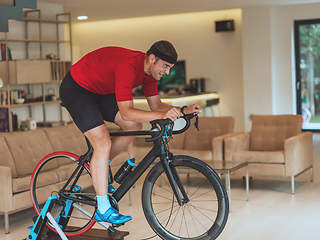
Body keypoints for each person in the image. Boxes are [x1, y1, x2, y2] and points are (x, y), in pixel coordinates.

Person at [59, 40, 200, 225]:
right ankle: (102, 209)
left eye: (170, 68)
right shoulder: (128, 66)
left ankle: (101, 165)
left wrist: (183, 110)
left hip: (101, 91)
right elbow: (126, 112)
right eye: (165, 66)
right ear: (152, 58)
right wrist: (160, 114)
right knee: (102, 142)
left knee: (133, 126)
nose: (167, 72)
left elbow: (156, 106)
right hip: (77, 89)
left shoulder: (150, 74)